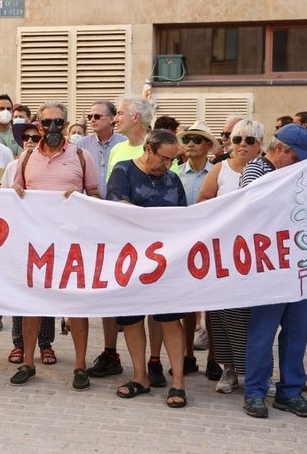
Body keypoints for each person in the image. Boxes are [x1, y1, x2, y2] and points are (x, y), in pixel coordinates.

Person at [9, 101, 99, 390]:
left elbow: (96, 196)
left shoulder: (82, 156)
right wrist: (15, 193)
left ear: (66, 123)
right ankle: (28, 363)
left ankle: (80, 366)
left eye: (59, 122)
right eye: (47, 123)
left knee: (77, 306)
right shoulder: (25, 159)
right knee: (30, 305)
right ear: (38, 125)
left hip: (72, 244)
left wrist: (82, 196)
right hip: (35, 244)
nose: (53, 128)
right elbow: (14, 194)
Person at [241, 123, 307, 419]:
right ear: (280, 149)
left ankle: (290, 390)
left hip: (297, 261)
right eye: (295, 155)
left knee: (296, 331)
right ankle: (256, 392)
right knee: (263, 333)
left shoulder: (292, 171)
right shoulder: (256, 170)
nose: (298, 161)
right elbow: (253, 212)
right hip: (270, 265)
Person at [107, 129, 189, 408]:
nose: (168, 165)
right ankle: (140, 377)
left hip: (167, 261)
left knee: (169, 320)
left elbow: (184, 218)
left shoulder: (173, 179)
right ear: (149, 149)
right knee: (131, 319)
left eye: (173, 160)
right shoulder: (123, 171)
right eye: (165, 159)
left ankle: (178, 382)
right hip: (129, 261)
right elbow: (117, 207)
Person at [197, 119, 266, 391]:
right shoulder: (219, 169)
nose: (242, 145)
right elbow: (203, 200)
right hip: (224, 252)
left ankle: (255, 372)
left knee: (253, 315)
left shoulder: (269, 170)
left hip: (257, 254)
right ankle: (229, 370)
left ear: (260, 144)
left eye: (249, 140)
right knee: (222, 312)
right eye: (237, 140)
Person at [76, 100, 127, 379]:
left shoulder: (124, 143)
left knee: (112, 288)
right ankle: (84, 356)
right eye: (89, 115)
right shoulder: (81, 144)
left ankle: (111, 350)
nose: (92, 119)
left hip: (118, 224)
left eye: (98, 116)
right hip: (88, 223)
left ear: (112, 119)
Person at [4, 120, 58, 367]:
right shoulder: (15, 165)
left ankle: (45, 343)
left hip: (49, 233)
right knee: (22, 291)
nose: (30, 141)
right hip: (21, 234)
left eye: (36, 138)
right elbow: (2, 199)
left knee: (45, 290)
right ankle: (19, 343)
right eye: (26, 137)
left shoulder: (53, 165)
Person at [176, 121, 220, 378]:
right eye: (187, 139)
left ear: (207, 146)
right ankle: (188, 355)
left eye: (196, 139)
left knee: (210, 304)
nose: (190, 143)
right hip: (183, 244)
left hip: (210, 243)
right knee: (187, 303)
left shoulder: (218, 173)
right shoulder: (175, 173)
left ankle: (214, 357)